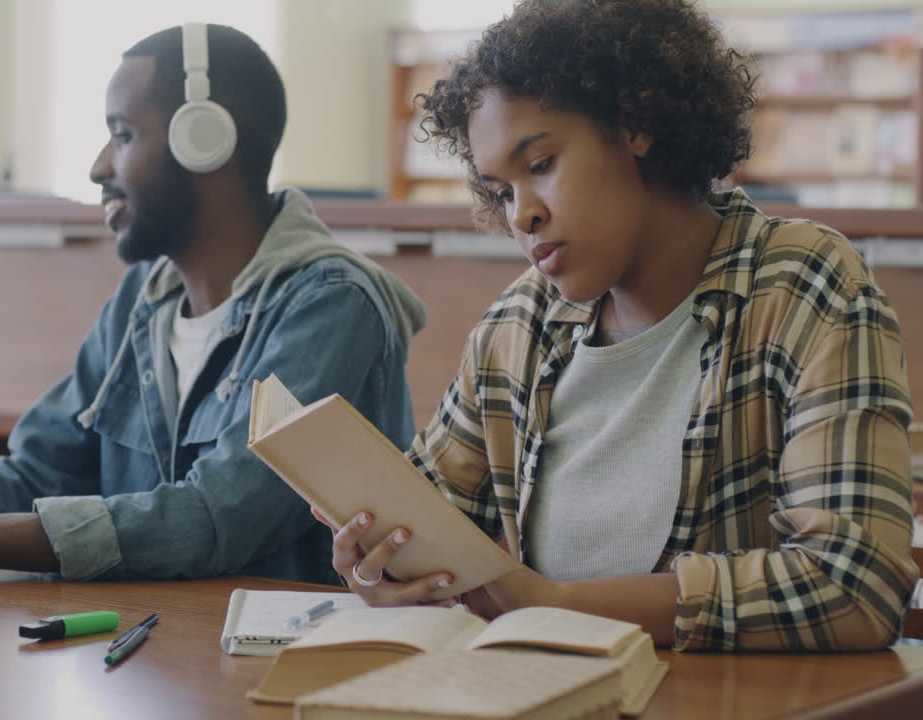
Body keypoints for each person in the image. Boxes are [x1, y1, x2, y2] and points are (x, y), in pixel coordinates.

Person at [320, 0, 917, 651]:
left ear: (636, 125)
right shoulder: (517, 327)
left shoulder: (803, 286)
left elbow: (855, 586)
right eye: (502, 191)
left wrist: (557, 606)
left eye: (541, 165)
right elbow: (427, 517)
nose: (521, 216)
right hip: (528, 686)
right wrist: (382, 561)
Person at [0, 23, 425, 585]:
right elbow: (42, 466)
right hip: (157, 658)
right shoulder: (144, 301)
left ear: (205, 144)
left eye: (123, 134)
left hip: (286, 669)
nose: (100, 165)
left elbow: (212, 519)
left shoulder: (330, 307)